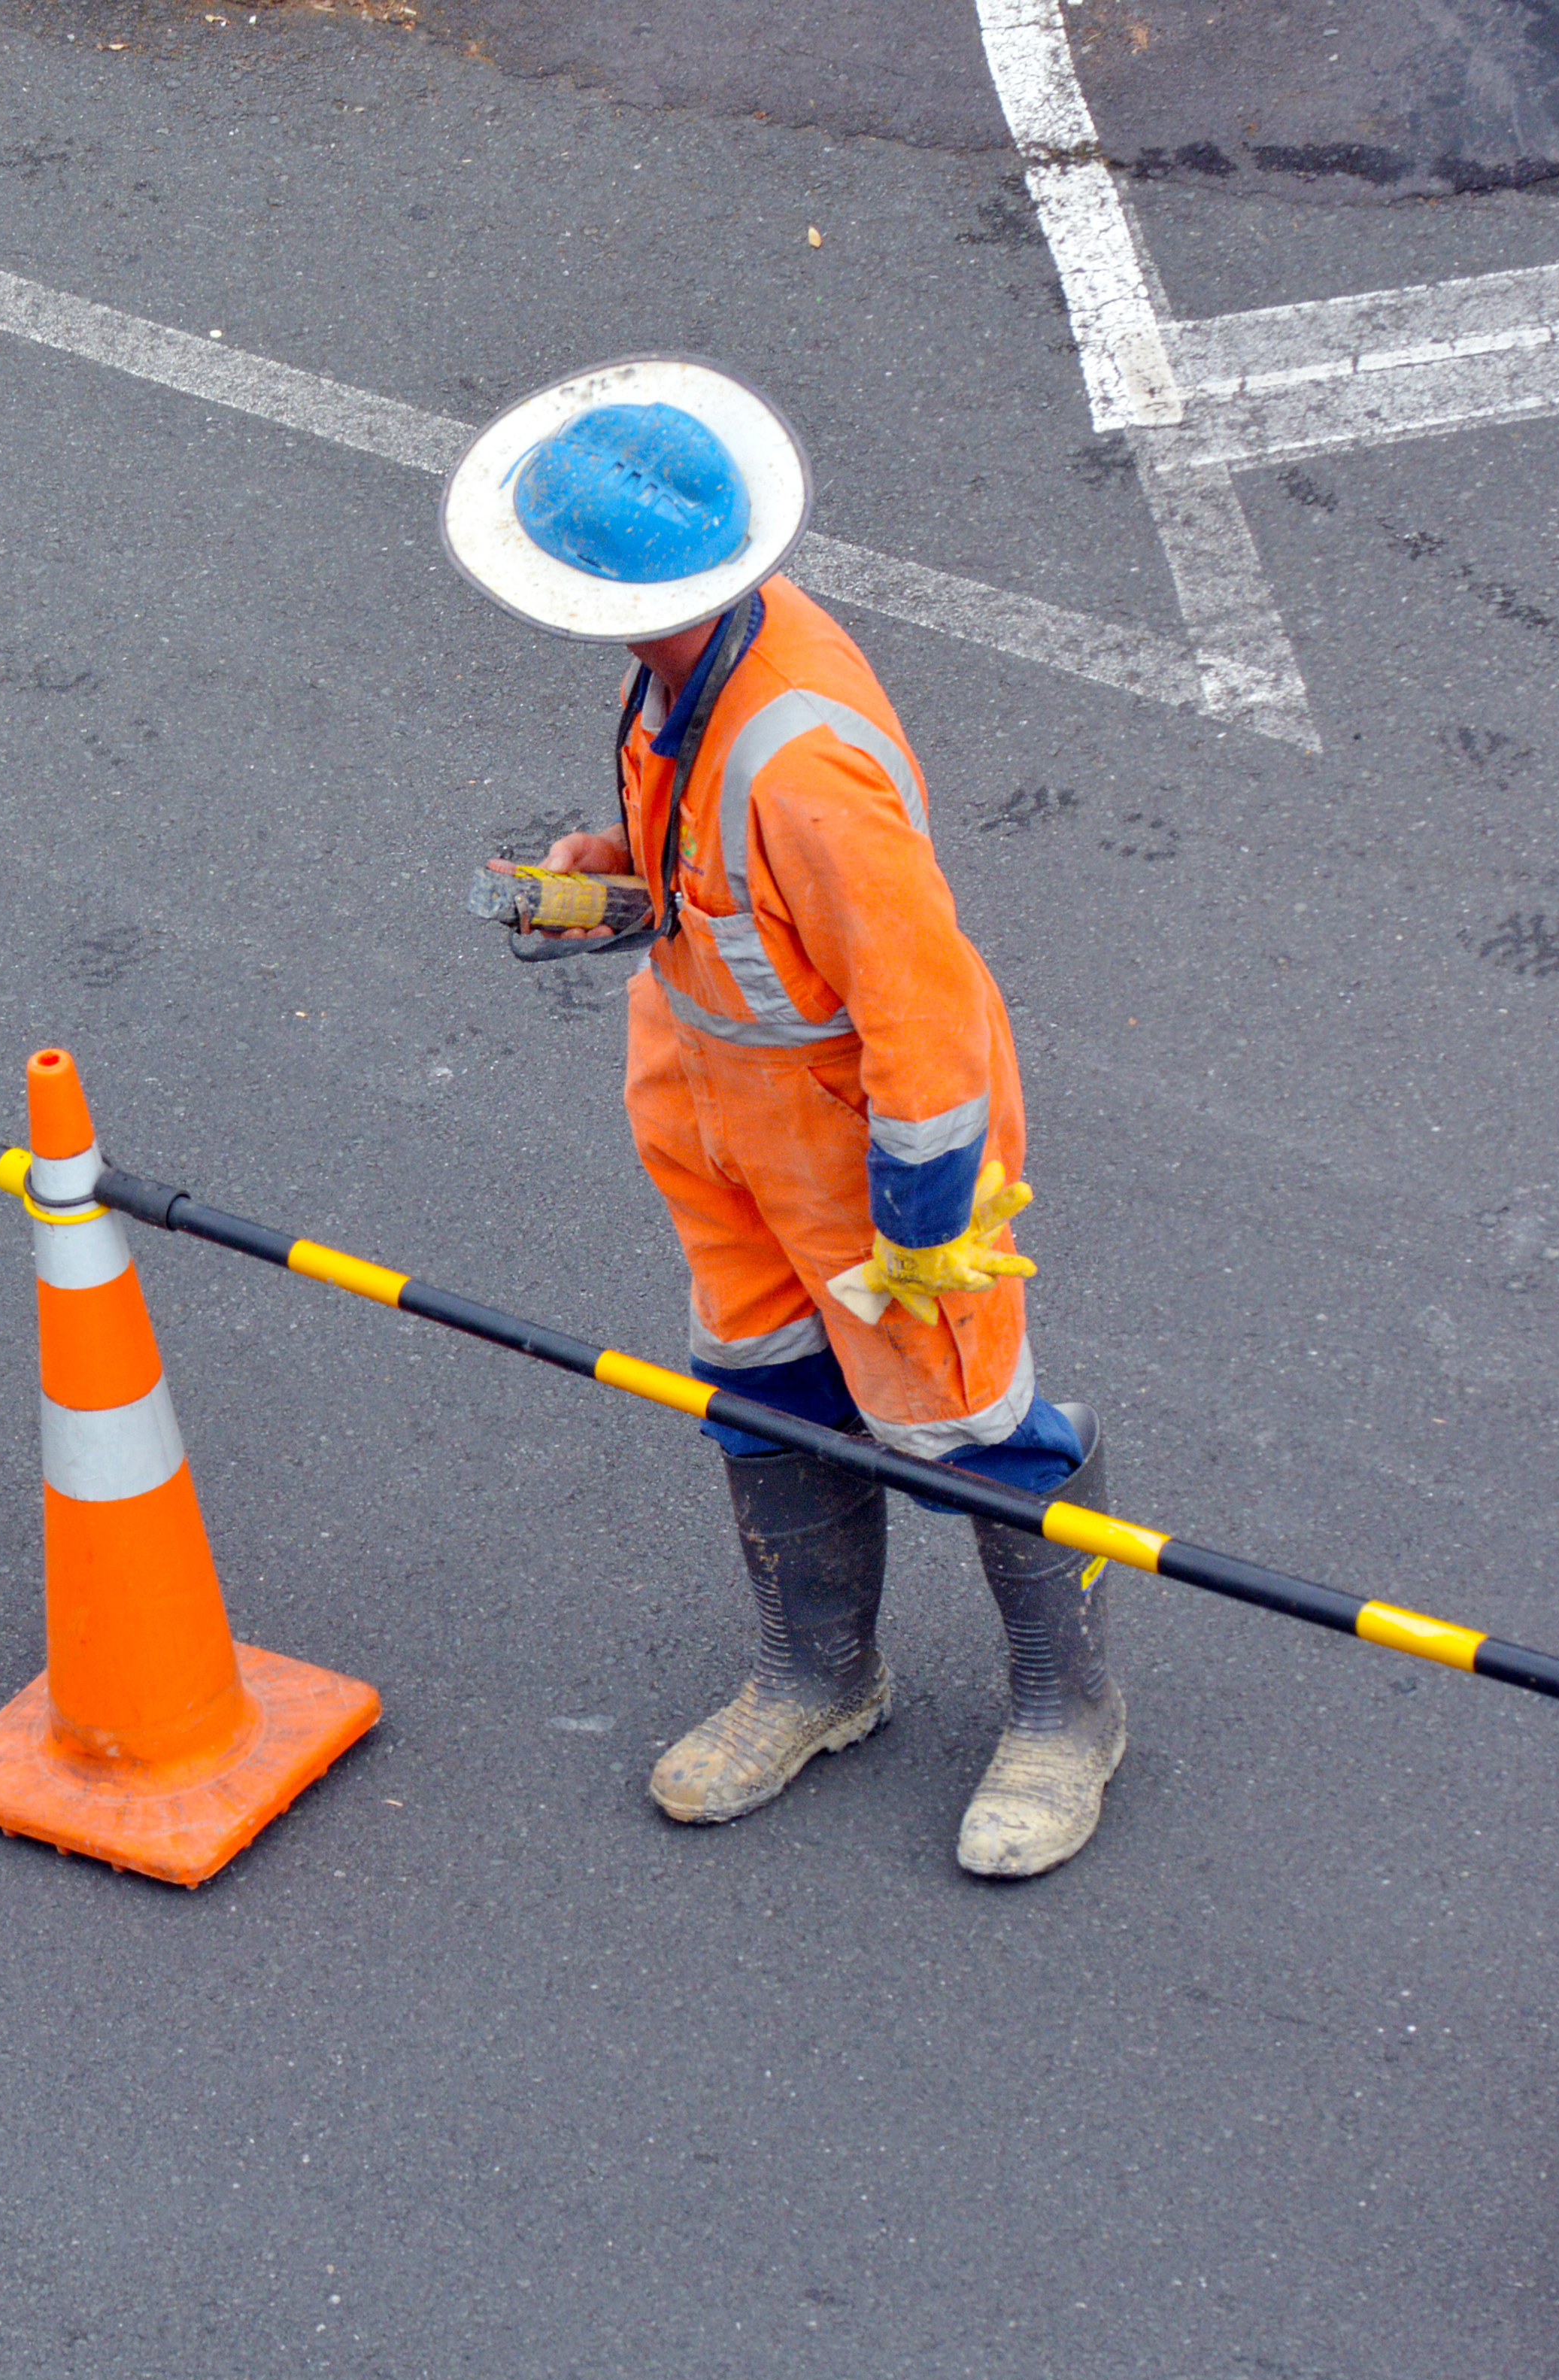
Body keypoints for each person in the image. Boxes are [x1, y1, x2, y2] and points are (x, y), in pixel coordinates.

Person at [440, 357, 1123, 1878]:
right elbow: (717, 863)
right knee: (759, 1377)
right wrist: (621, 869)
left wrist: (925, 1221)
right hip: (715, 1093)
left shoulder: (802, 762)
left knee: (959, 1412)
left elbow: (921, 1008)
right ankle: (822, 1675)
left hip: (852, 1124)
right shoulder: (685, 667)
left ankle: (1068, 1708)